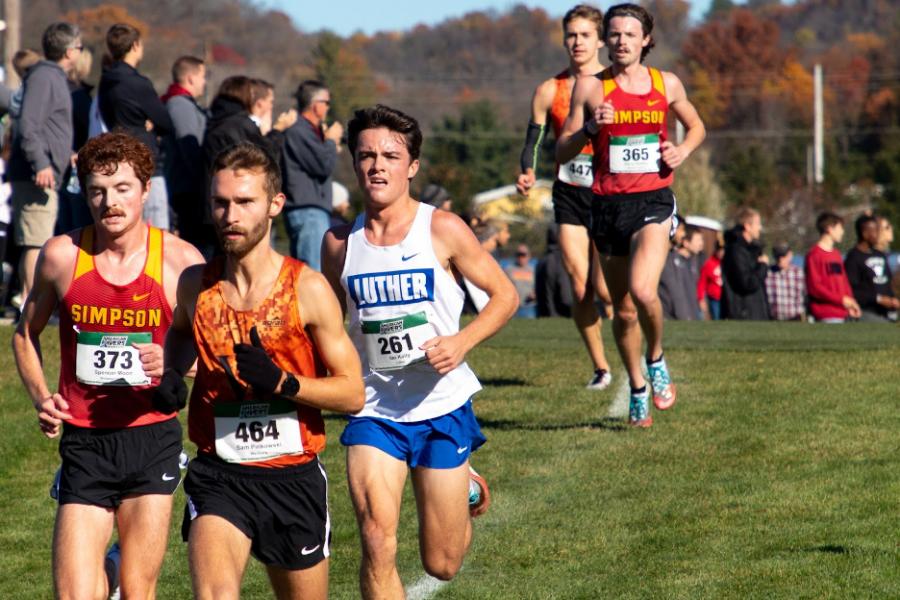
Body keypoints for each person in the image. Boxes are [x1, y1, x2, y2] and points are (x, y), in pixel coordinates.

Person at [321, 105, 518, 598]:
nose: (377, 165)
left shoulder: (443, 229)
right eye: (366, 155)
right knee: (374, 538)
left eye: (391, 155)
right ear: (354, 163)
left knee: (442, 563)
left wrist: (461, 342)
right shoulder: (338, 243)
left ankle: (465, 481)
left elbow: (506, 296)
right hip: (374, 409)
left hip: (441, 406)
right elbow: (324, 326)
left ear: (411, 166)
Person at [156, 141, 364, 599]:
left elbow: (353, 394)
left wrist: (282, 382)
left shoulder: (307, 289)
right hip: (219, 474)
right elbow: (180, 332)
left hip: (292, 478)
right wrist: (173, 374)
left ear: (274, 205)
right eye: (221, 202)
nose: (230, 214)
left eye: (244, 202)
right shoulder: (196, 284)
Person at [12, 132, 204, 599]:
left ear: (145, 189)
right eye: (97, 190)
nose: (109, 202)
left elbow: (203, 348)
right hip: (86, 441)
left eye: (121, 188)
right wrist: (44, 398)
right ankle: (110, 573)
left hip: (151, 435)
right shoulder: (61, 256)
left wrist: (173, 367)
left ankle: (119, 574)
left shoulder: (181, 263)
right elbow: (24, 333)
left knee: (139, 591)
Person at [557, 3, 705, 426]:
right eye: (615, 34)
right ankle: (638, 385)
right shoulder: (589, 88)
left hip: (653, 201)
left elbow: (696, 126)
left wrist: (683, 150)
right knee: (622, 310)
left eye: (630, 34)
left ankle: (656, 358)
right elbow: (561, 150)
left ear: (645, 41)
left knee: (643, 291)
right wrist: (588, 129)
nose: (622, 41)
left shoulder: (667, 83)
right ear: (607, 41)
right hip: (606, 206)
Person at [516, 4, 613, 390]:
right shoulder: (549, 90)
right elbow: (533, 141)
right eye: (571, 35)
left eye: (585, 35)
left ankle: (632, 335)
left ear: (600, 40)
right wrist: (527, 170)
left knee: (606, 289)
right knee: (578, 285)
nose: (577, 42)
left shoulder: (613, 85)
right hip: (569, 191)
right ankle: (602, 367)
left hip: (611, 192)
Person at [6, 24, 81, 306]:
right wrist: (41, 163)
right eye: (80, 47)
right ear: (70, 50)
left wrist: (66, 153)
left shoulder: (51, 76)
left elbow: (47, 127)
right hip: (37, 175)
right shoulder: (44, 77)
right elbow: (27, 125)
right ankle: (30, 304)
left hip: (45, 170)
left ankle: (32, 303)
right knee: (36, 242)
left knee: (40, 239)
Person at [100, 23, 175, 231]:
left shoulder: (105, 81)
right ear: (134, 45)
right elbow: (166, 122)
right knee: (156, 231)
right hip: (145, 158)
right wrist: (150, 127)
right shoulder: (137, 83)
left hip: (117, 155)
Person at [281, 80, 343, 271]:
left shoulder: (307, 131)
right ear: (316, 104)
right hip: (308, 212)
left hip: (309, 211)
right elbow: (324, 166)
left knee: (311, 272)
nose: (328, 107)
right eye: (327, 102)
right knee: (312, 274)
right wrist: (331, 142)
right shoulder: (300, 131)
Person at [161, 56, 212, 256]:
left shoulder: (183, 103)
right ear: (191, 78)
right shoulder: (180, 105)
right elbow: (189, 145)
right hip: (188, 190)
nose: (205, 81)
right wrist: (204, 179)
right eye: (202, 76)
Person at [57, 46, 95, 234]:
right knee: (80, 230)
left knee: (66, 226)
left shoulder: (60, 90)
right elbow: (89, 126)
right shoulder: (78, 96)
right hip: (75, 166)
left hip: (62, 164)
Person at [805, 212, 861, 323]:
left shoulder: (836, 254)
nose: (842, 232)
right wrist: (841, 300)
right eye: (840, 228)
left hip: (842, 313)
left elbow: (844, 282)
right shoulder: (814, 255)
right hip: (825, 313)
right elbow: (815, 287)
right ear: (829, 229)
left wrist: (851, 303)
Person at [844, 214, 899, 322]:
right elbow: (852, 289)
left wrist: (893, 299)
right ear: (865, 234)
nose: (878, 234)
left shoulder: (880, 255)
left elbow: (888, 282)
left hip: (885, 312)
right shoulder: (854, 257)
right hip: (866, 311)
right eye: (875, 231)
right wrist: (878, 299)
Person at [721, 207, 769, 321]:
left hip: (754, 312)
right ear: (747, 226)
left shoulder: (751, 250)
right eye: (757, 224)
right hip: (743, 314)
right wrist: (763, 266)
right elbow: (747, 283)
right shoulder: (736, 251)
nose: (760, 227)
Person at [658, 224, 701, 320]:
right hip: (667, 315)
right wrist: (683, 315)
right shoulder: (666, 258)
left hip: (680, 315)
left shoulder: (680, 258)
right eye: (681, 230)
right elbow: (674, 290)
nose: (683, 234)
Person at [536, 223, 574, 317]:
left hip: (542, 316)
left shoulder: (541, 260)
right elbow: (566, 298)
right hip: (559, 317)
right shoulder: (560, 261)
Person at [765, 242, 805, 321]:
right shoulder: (768, 273)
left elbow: (805, 295)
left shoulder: (798, 273)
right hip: (774, 319)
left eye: (783, 255)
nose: (780, 259)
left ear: (790, 255)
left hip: (794, 318)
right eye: (777, 256)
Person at [504, 243, 537, 317]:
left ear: (528, 256)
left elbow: (538, 287)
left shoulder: (533, 270)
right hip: (513, 307)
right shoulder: (509, 269)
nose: (521, 257)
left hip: (529, 307)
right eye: (519, 255)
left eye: (523, 255)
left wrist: (534, 294)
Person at [697, 241, 723, 320]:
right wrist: (701, 298)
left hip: (726, 298)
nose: (721, 253)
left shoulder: (729, 263)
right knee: (716, 319)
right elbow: (702, 282)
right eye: (719, 250)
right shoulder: (709, 263)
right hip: (714, 299)